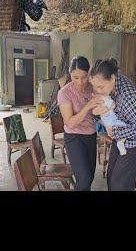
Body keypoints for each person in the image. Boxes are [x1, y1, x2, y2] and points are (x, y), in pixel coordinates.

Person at [90, 58, 136, 191]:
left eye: (101, 87)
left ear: (112, 78)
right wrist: (96, 112)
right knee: (112, 176)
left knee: (119, 182)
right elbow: (104, 114)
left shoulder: (128, 96)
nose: (98, 91)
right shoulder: (112, 83)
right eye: (95, 87)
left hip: (134, 142)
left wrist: (116, 132)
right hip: (120, 138)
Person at [57, 56, 104, 191]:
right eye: (75, 77)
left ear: (89, 73)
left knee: (90, 176)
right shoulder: (65, 93)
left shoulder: (92, 87)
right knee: (84, 178)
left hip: (90, 135)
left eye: (83, 77)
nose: (80, 81)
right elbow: (70, 123)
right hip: (74, 138)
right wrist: (88, 106)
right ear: (70, 74)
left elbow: (98, 111)